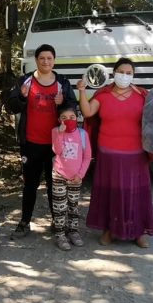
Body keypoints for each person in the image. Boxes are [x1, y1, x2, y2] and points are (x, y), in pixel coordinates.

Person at [77, 58, 153, 247]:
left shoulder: (143, 96)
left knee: (136, 193)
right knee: (110, 193)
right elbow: (87, 112)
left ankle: (139, 232)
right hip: (108, 153)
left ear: (133, 75)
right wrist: (83, 91)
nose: (124, 76)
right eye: (121, 71)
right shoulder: (102, 95)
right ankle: (109, 230)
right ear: (114, 72)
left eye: (129, 73)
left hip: (136, 153)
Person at [4, 44, 77, 240]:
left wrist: (64, 103)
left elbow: (72, 108)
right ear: (36, 60)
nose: (46, 61)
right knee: (30, 184)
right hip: (31, 142)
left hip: (56, 144)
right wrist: (21, 96)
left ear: (54, 60)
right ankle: (24, 222)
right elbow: (11, 106)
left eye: (49, 58)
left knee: (56, 184)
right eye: (42, 58)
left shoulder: (62, 82)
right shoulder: (25, 81)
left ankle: (57, 221)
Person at [50, 106, 92, 251]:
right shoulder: (55, 131)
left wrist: (80, 175)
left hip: (75, 177)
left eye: (72, 117)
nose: (69, 120)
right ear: (59, 120)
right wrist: (60, 134)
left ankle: (73, 231)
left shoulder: (82, 134)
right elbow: (57, 151)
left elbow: (87, 157)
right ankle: (60, 234)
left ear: (77, 118)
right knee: (59, 206)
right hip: (59, 174)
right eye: (64, 118)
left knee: (73, 206)